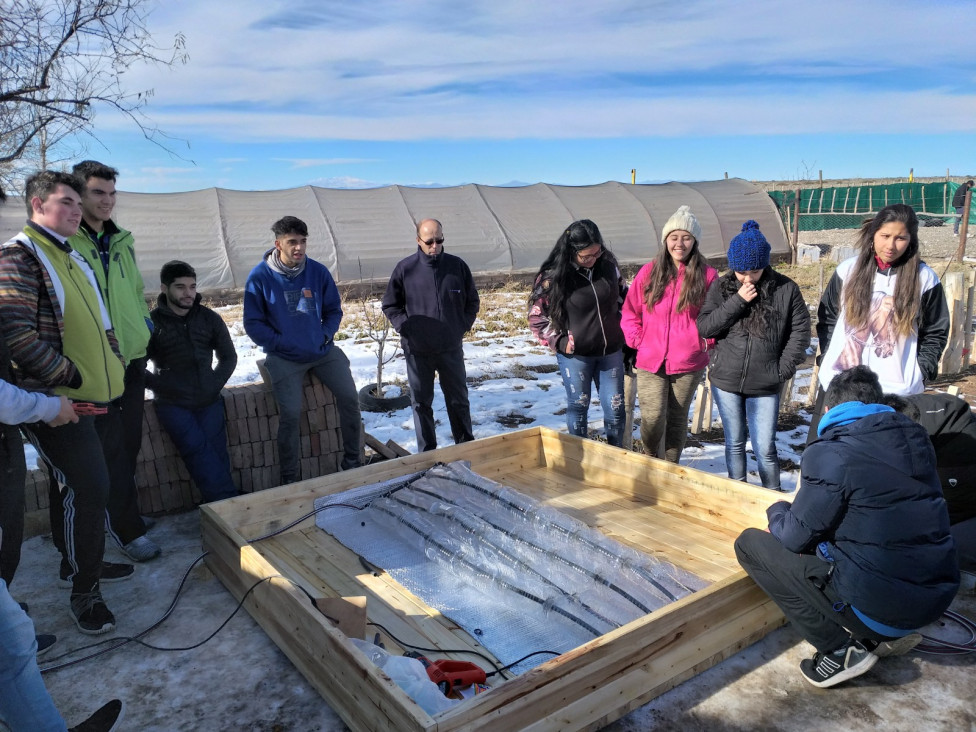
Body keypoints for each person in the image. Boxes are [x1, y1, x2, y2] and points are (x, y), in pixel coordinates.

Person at [735, 366, 959, 688]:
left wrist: (778, 509)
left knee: (750, 545)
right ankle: (880, 633)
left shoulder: (835, 452)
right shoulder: (915, 442)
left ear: (830, 409)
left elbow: (795, 537)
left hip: (884, 608)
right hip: (933, 599)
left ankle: (838, 649)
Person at [0, 171, 132, 636]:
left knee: (77, 488)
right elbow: (18, 336)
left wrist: (113, 364)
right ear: (37, 204)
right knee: (88, 488)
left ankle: (77, 562)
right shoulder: (19, 258)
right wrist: (69, 378)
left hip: (99, 397)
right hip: (55, 400)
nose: (77, 211)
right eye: (66, 202)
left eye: (79, 203)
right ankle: (85, 590)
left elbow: (102, 324)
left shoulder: (72, 254)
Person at [69, 160, 158, 562]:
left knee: (130, 441)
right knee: (108, 449)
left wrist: (143, 327)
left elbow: (137, 289)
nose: (107, 201)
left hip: (132, 358)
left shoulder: (122, 240)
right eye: (97, 193)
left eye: (111, 193)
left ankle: (125, 514)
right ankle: (127, 529)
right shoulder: (68, 242)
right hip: (95, 364)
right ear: (79, 195)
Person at [808, 203, 949, 441]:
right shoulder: (848, 271)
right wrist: (828, 359)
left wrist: (920, 372)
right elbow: (828, 319)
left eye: (900, 238)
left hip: (894, 390)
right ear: (873, 233)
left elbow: (935, 331)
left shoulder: (924, 279)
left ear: (911, 239)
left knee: (886, 458)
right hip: (842, 387)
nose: (891, 246)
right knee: (832, 455)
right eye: (885, 236)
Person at [243, 216, 363, 483]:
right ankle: (290, 477)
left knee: (350, 399)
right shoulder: (260, 277)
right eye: (292, 242)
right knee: (290, 413)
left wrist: (324, 333)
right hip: (284, 357)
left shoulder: (317, 272)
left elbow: (333, 310)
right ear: (278, 244)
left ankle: (353, 461)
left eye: (303, 241)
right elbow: (253, 323)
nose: (299, 248)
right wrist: (281, 344)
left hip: (321, 350)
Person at [696, 220, 810, 491]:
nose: (747, 278)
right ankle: (737, 495)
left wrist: (781, 371)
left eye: (755, 271)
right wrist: (738, 301)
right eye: (741, 272)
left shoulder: (786, 289)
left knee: (765, 448)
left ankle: (773, 498)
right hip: (727, 380)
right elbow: (706, 326)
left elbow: (800, 333)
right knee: (734, 443)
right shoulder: (722, 288)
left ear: (765, 266)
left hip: (766, 382)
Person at [621, 205, 718, 462]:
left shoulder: (707, 276)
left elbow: (717, 317)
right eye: (674, 237)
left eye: (686, 237)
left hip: (688, 361)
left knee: (676, 420)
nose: (680, 243)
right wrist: (639, 341)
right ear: (665, 240)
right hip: (651, 360)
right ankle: (652, 459)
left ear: (694, 241)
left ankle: (671, 469)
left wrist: (704, 343)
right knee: (652, 420)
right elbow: (630, 312)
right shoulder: (649, 272)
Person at [381, 219, 480, 452]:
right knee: (421, 404)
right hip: (418, 352)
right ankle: (427, 453)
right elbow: (391, 305)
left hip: (450, 349)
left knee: (458, 401)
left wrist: (461, 326)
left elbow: (472, 301)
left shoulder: (457, 267)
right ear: (418, 241)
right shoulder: (406, 269)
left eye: (439, 240)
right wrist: (407, 329)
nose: (435, 246)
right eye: (429, 241)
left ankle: (464, 448)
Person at [146, 261, 240, 503]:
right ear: (164, 288)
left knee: (217, 453)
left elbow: (229, 357)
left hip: (209, 400)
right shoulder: (151, 323)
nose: (188, 293)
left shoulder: (208, 318)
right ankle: (230, 504)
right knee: (197, 451)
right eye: (180, 287)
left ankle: (223, 506)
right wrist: (163, 387)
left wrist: (214, 383)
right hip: (173, 404)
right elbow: (135, 365)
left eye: (192, 286)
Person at [528, 219, 627, 446]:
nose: (592, 260)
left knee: (615, 408)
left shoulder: (608, 265)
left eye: (596, 253)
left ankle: (617, 456)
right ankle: (578, 458)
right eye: (586, 256)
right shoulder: (552, 278)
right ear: (571, 252)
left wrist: (626, 330)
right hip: (576, 356)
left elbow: (624, 296)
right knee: (579, 406)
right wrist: (560, 341)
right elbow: (537, 318)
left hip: (610, 351)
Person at [881, 391, 976, 526]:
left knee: (948, 516)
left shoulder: (958, 450)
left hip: (960, 453)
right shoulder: (894, 407)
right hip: (943, 431)